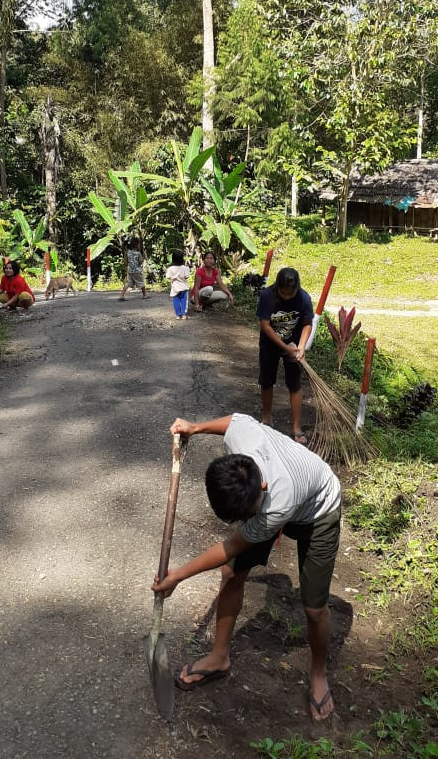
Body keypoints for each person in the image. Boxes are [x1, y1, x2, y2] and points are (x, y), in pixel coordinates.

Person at [153, 413, 340, 723]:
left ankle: (319, 674)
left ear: (262, 486)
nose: (239, 524)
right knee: (232, 573)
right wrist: (195, 428)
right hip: (279, 498)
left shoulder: (277, 503)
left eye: (244, 517)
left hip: (319, 508)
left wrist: (178, 576)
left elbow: (230, 547)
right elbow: (234, 421)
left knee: (314, 608)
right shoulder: (245, 442)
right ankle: (219, 657)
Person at [257, 266, 313, 444]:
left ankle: (296, 428)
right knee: (267, 380)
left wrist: (301, 347)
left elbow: (307, 323)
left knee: (295, 384)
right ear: (277, 288)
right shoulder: (267, 296)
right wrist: (284, 346)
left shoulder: (304, 298)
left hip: (294, 345)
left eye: (291, 293)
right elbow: (265, 325)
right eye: (284, 293)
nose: (288, 296)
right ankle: (267, 419)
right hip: (270, 344)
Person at [165, 250, 191, 319]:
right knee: (184, 301)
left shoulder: (170, 269)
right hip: (183, 287)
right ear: (182, 259)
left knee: (176, 301)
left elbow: (168, 277)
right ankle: (184, 315)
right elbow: (187, 276)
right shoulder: (185, 268)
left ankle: (177, 315)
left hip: (174, 288)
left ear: (173, 259)